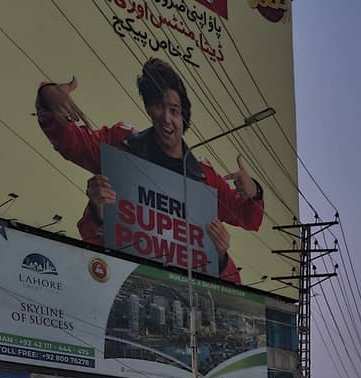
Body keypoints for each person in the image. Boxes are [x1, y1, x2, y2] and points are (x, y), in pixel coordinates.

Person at [35, 60, 265, 285]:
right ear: (148, 108)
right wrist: (48, 95)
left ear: (184, 116)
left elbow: (247, 216)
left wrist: (253, 191)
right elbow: (70, 143)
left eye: (174, 110)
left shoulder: (203, 176)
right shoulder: (121, 144)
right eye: (159, 106)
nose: (166, 118)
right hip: (118, 280)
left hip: (182, 294)